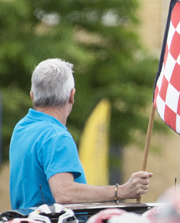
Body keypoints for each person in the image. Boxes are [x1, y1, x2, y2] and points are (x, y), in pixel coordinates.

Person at [9, 58, 152, 210]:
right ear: (72, 95)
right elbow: (64, 193)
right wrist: (122, 191)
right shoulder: (56, 136)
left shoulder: (21, 128)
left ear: (32, 95)